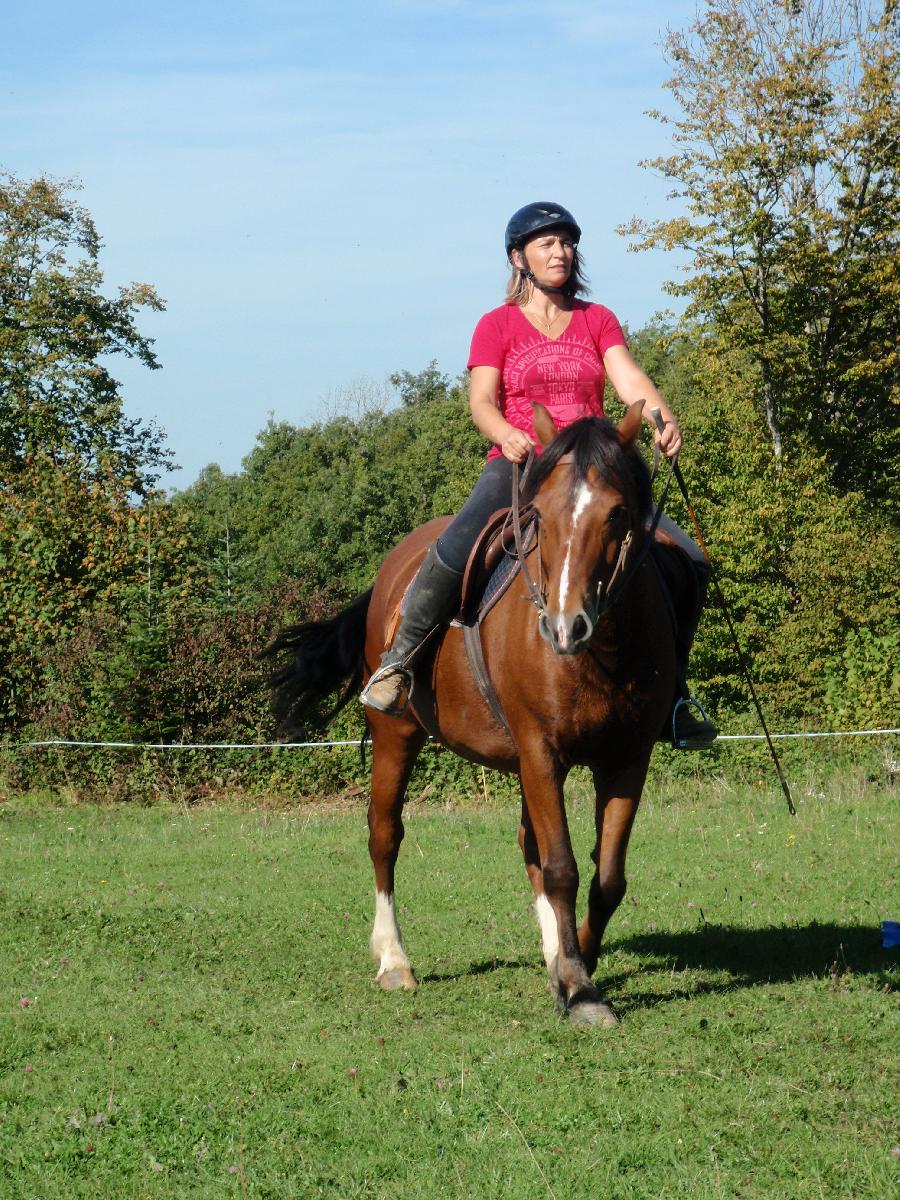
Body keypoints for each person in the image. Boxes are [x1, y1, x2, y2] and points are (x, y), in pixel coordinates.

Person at [360, 202, 717, 749]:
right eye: (547, 243)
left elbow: (630, 378)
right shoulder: (496, 324)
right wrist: (504, 432)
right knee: (458, 543)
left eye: (567, 243)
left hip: (593, 471)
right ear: (518, 257)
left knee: (687, 557)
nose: (561, 252)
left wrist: (660, 416)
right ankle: (399, 661)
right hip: (523, 463)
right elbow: (481, 401)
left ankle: (674, 695)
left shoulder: (596, 318)